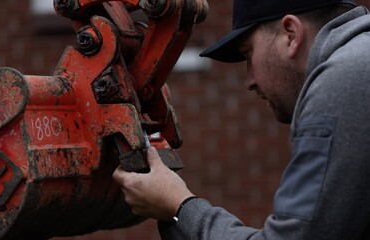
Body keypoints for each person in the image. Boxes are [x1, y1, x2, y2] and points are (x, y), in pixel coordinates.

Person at [113, 0, 370, 238]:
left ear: (290, 34)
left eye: (248, 53)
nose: (249, 80)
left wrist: (178, 207)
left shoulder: (341, 81)